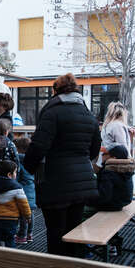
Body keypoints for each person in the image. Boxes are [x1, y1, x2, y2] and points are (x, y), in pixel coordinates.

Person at [23, 73, 101, 257]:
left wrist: (28, 167)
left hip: (56, 183)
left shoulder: (52, 112)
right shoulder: (88, 115)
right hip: (82, 183)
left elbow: (39, 145)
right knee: (74, 232)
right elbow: (94, 149)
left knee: (56, 233)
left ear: (55, 91)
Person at [0, 160, 32, 248]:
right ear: (9, 175)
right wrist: (28, 216)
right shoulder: (17, 188)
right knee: (9, 240)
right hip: (11, 220)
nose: (16, 175)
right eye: (15, 172)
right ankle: (10, 257)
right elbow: (24, 204)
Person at [90, 145, 135, 212]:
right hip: (121, 203)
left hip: (110, 206)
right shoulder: (126, 168)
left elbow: (103, 197)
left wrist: (87, 201)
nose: (102, 156)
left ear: (113, 157)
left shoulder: (109, 172)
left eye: (104, 154)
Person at [96, 101, 135, 167]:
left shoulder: (108, 125)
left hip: (105, 162)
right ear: (123, 114)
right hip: (116, 165)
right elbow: (123, 149)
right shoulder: (118, 126)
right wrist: (130, 162)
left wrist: (127, 128)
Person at [13, 137, 36, 244]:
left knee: (23, 216)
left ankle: (22, 236)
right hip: (32, 192)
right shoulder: (32, 160)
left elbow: (17, 178)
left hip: (23, 193)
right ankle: (30, 234)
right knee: (30, 214)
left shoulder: (19, 161)